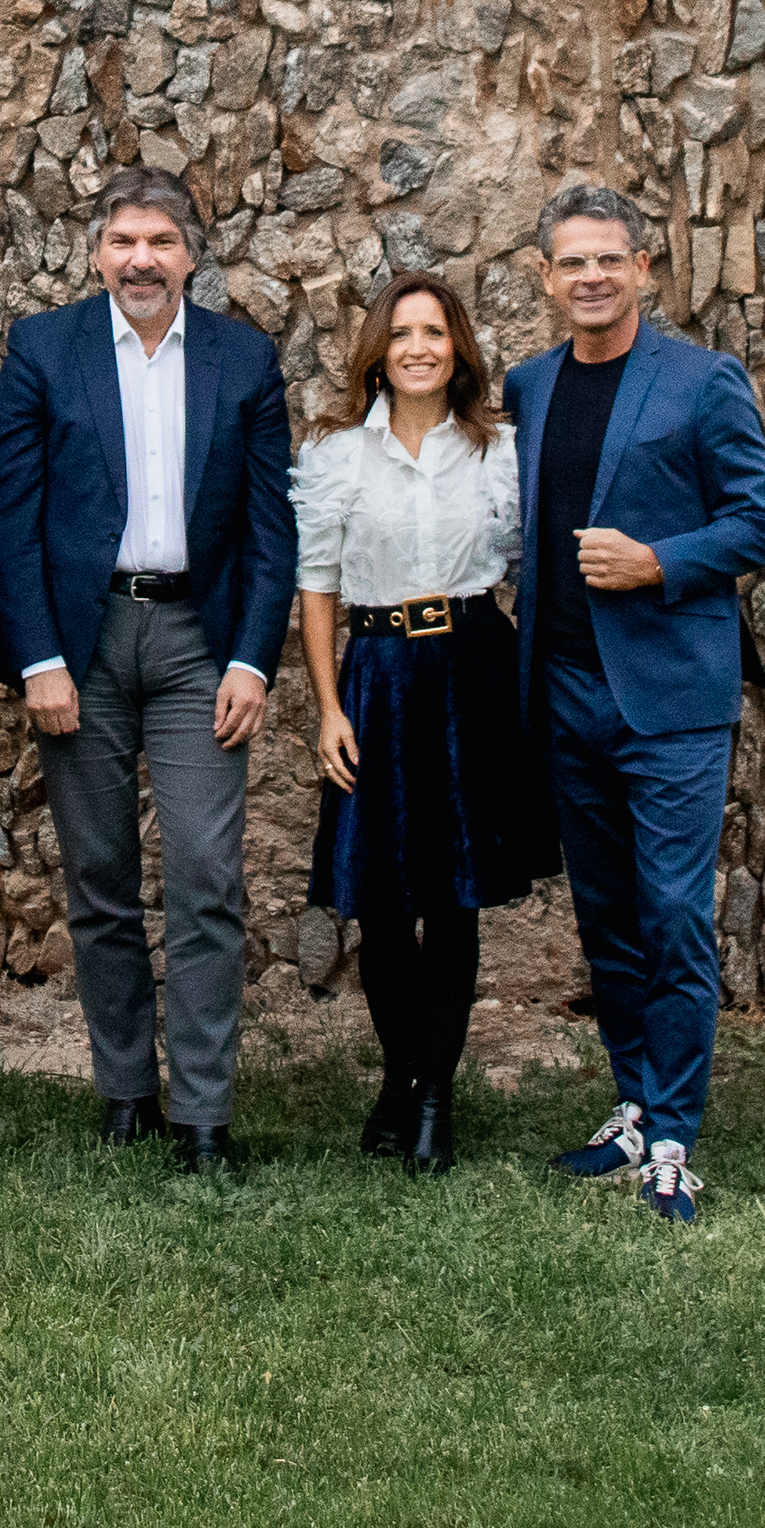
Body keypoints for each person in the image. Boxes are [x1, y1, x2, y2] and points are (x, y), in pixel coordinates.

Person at [0, 169, 296, 1175]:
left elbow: (271, 526)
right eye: (122, 241)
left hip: (201, 641)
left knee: (205, 876)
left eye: (160, 240)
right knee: (101, 877)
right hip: (82, 644)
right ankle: (126, 1093)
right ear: (96, 254)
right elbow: (7, 516)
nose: (141, 259)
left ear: (190, 255)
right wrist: (35, 657)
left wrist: (253, 658)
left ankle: (203, 1113)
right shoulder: (44, 349)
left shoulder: (242, 359)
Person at [504, 181, 765, 1226]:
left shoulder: (702, 381)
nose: (591, 276)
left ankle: (673, 1136)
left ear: (643, 269)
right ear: (545, 277)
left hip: (669, 697)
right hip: (563, 690)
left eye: (608, 259)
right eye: (571, 262)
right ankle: (633, 1103)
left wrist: (658, 561)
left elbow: (763, 525)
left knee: (671, 915)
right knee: (608, 917)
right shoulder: (529, 386)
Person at [293, 272, 549, 1174]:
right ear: (378, 350)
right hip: (376, 678)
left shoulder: (498, 450)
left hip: (471, 671)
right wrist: (328, 707)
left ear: (457, 348)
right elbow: (317, 588)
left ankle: (434, 1095)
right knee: (382, 898)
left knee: (452, 896)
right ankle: (400, 1076)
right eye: (401, 333)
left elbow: (523, 563)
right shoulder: (336, 454)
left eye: (434, 332)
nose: (417, 348)